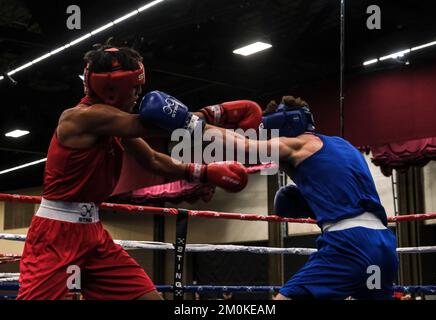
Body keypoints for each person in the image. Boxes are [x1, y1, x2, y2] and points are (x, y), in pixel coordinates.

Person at [17, 45, 256, 300]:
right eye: (134, 88)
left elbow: (152, 159)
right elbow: (150, 126)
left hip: (94, 234)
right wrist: (216, 113)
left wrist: (203, 173)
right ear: (113, 89)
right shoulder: (82, 118)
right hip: (56, 235)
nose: (138, 95)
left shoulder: (113, 124)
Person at [140, 93, 399, 300]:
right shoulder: (344, 145)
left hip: (348, 244)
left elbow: (245, 147)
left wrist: (190, 122)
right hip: (384, 245)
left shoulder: (297, 144)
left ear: (283, 128)